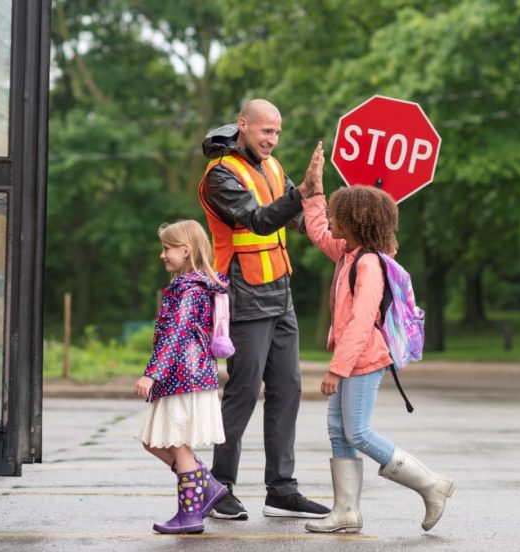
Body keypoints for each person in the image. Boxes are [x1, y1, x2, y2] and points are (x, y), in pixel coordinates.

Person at [299, 168, 454, 533]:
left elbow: (362, 321)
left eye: (338, 214)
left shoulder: (368, 264)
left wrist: (337, 368)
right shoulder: (348, 253)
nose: (332, 220)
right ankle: (346, 512)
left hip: (364, 360)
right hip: (354, 358)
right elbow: (319, 231)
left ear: (354, 222)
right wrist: (315, 195)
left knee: (358, 432)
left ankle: (430, 485)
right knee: (339, 431)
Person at [197, 99, 329, 519]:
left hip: (279, 291)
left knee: (288, 389)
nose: (272, 140)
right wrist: (302, 193)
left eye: (277, 132)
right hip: (243, 294)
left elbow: (298, 217)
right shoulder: (220, 174)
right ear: (243, 125)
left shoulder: (271, 168)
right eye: (265, 131)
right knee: (242, 392)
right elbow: (257, 220)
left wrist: (356, 214)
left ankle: (281, 490)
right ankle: (218, 488)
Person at [134, 220, 230, 534]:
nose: (162, 255)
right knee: (153, 440)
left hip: (182, 377)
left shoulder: (188, 289)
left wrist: (152, 374)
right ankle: (208, 485)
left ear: (185, 250)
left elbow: (175, 334)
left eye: (167, 248)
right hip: (186, 376)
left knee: (176, 444)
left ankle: (190, 515)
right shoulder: (194, 285)